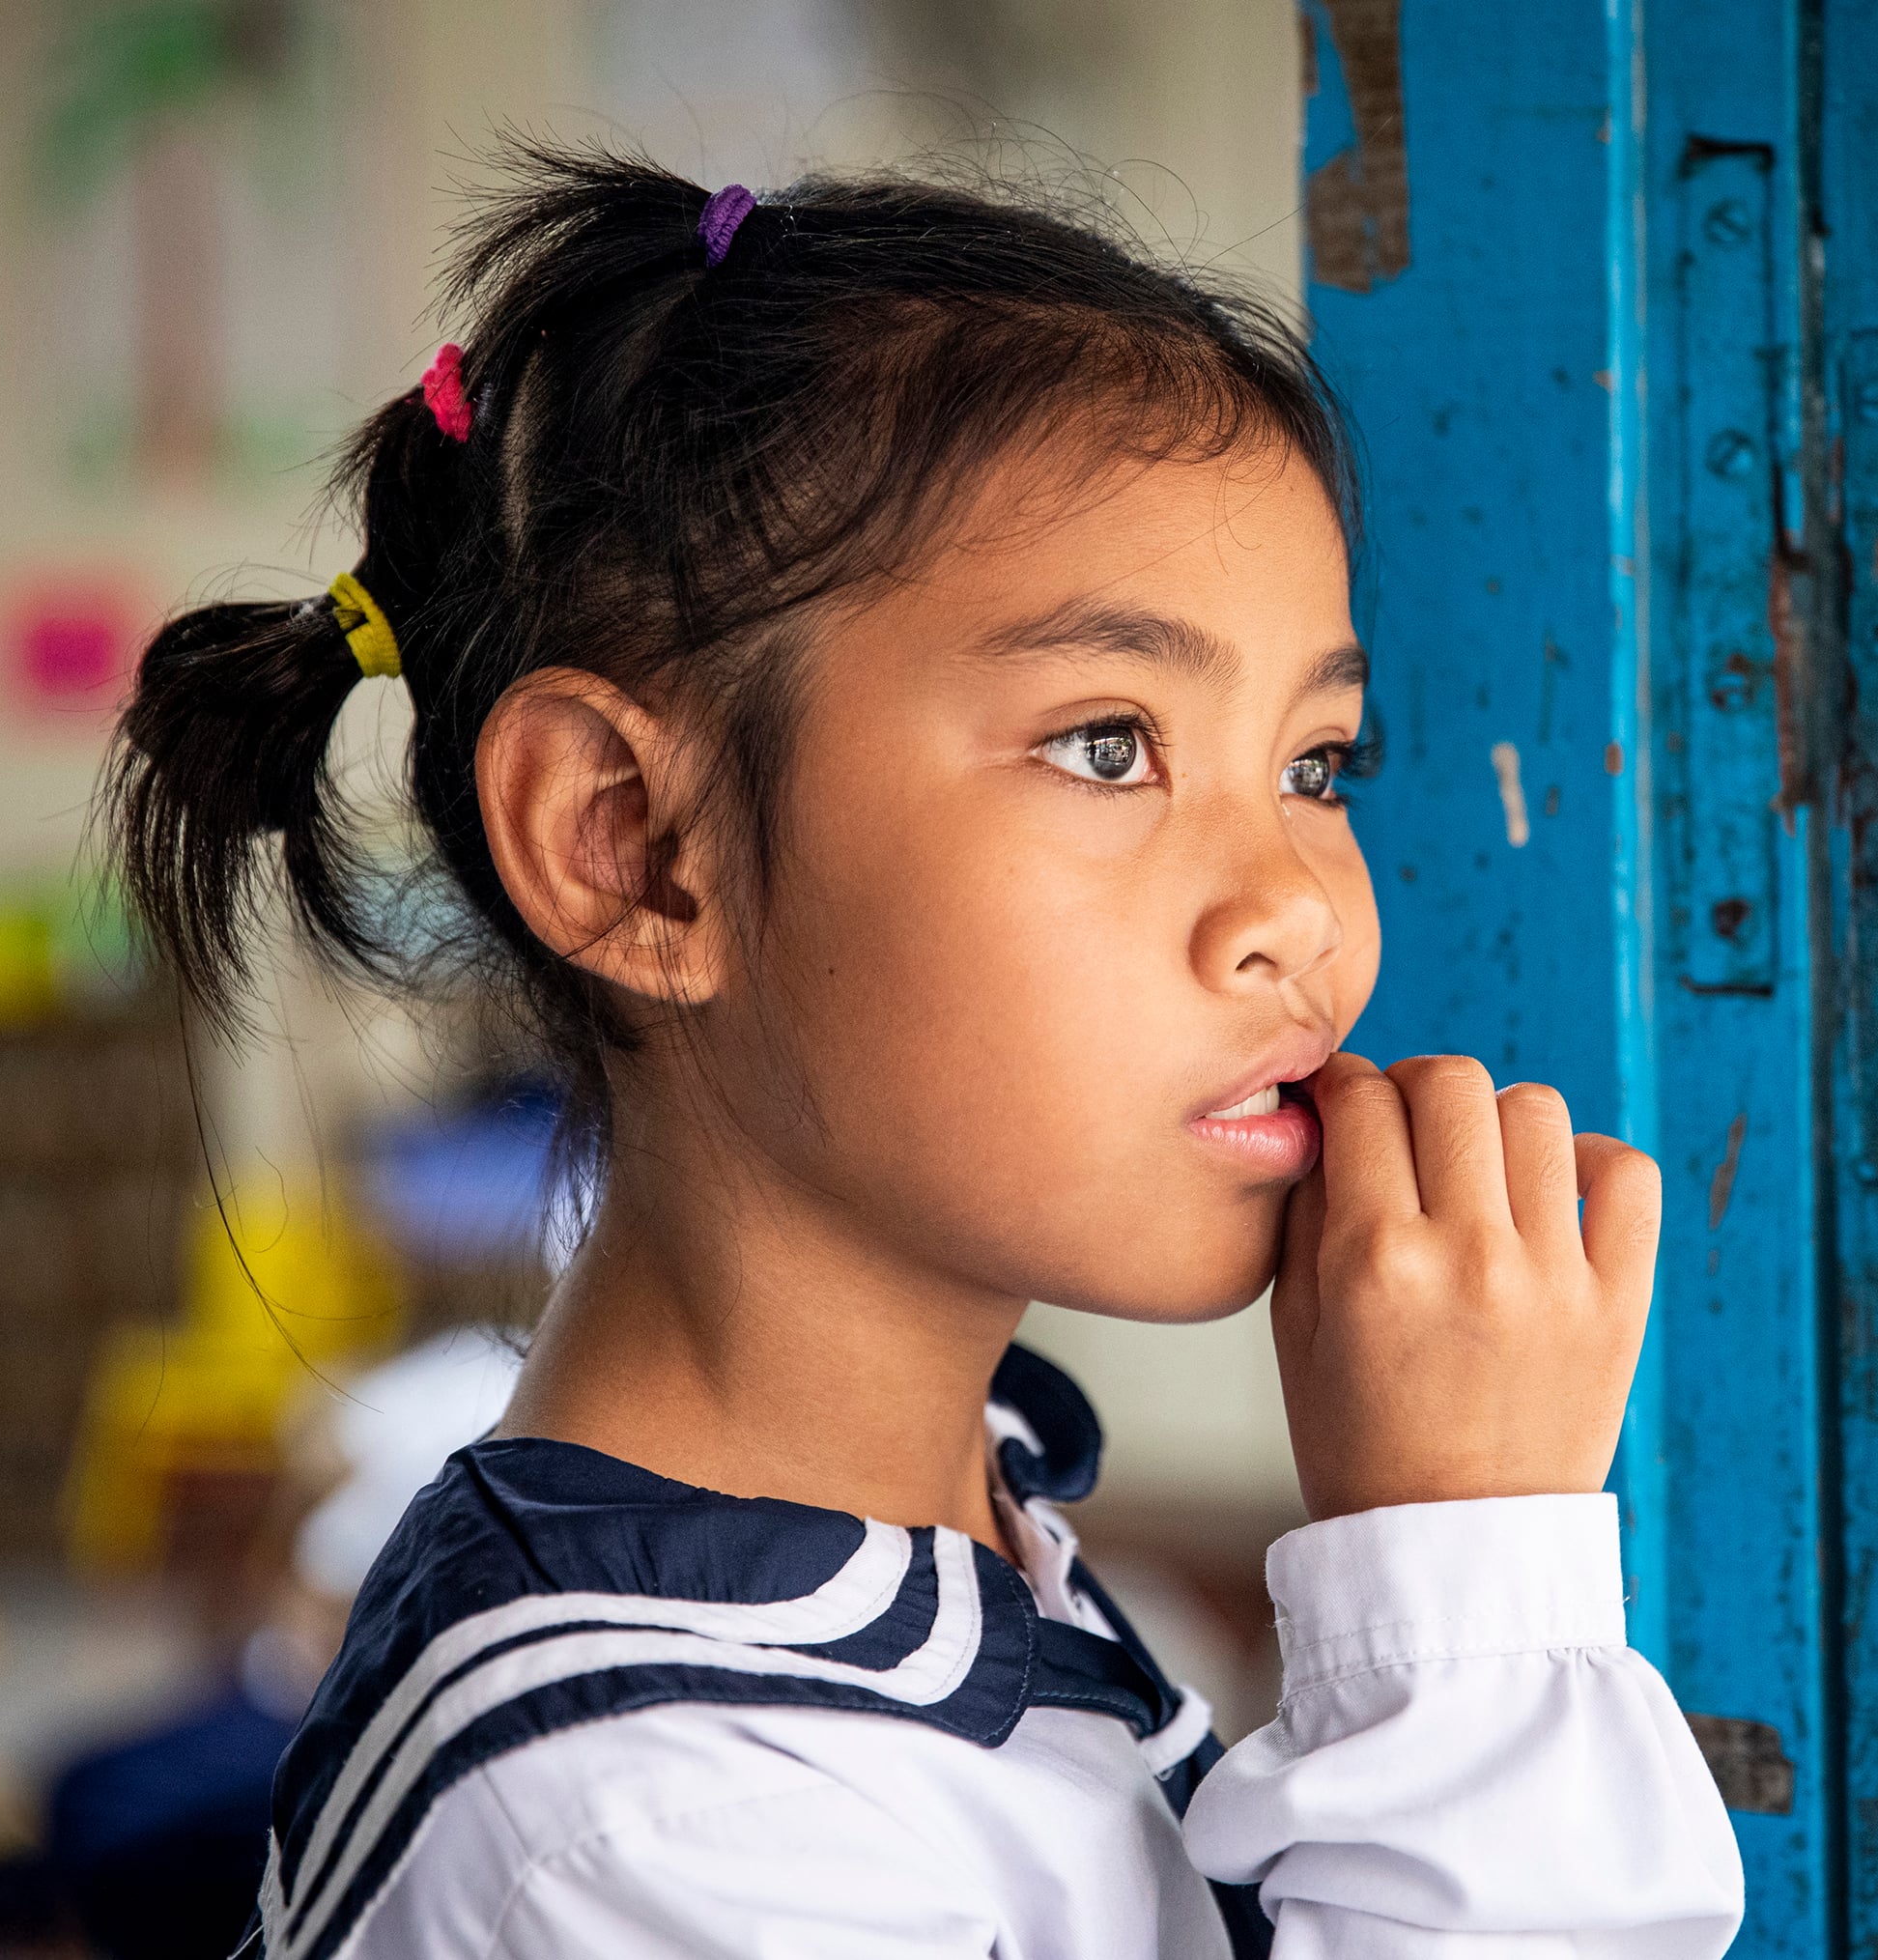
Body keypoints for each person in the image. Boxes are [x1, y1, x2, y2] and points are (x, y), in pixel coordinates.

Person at [100, 146, 1743, 1960]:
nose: (1300, 908)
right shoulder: (649, 1827)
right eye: (1110, 745)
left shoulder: (940, 1532)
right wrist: (1461, 1588)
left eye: (1314, 763)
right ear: (634, 845)